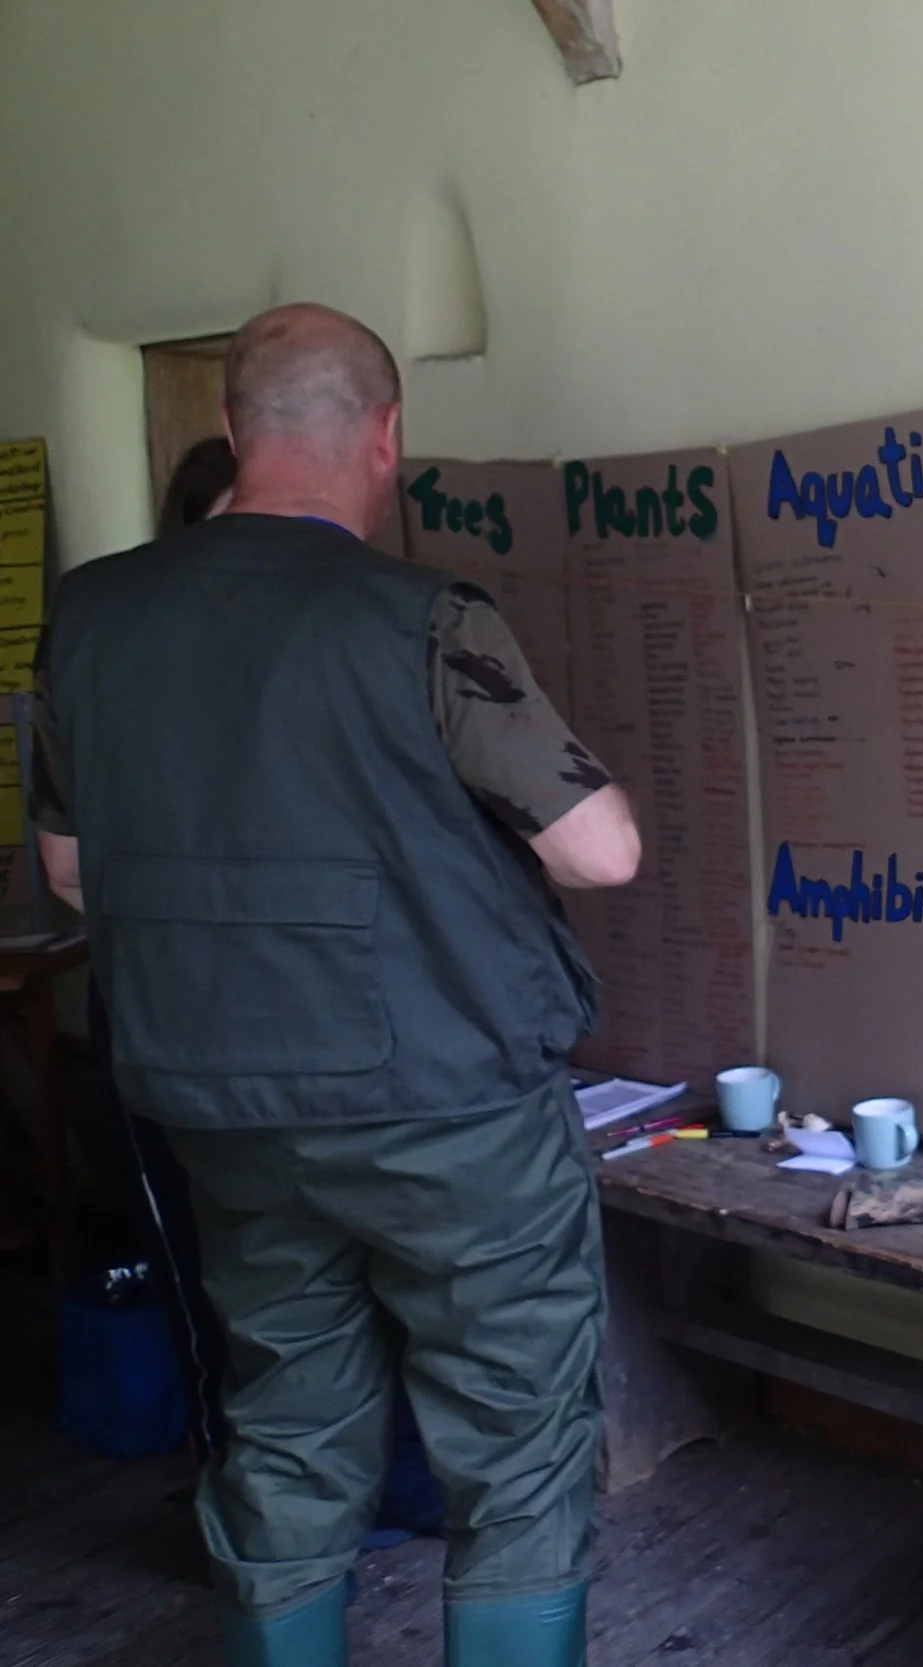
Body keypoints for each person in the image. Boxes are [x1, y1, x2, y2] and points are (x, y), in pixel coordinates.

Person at [32, 303, 641, 1666]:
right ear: (387, 440)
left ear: (235, 434)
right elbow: (602, 850)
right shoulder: (420, 618)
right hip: (451, 1112)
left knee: (288, 1419)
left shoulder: (95, 617)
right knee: (516, 1445)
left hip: (224, 1109)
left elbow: (72, 871)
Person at [104, 432, 450, 1550]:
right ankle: (249, 1520)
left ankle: (382, 1492)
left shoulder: (331, 654)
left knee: (363, 1276)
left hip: (331, 1025)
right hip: (185, 1026)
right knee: (231, 1294)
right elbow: (75, 868)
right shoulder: (130, 665)